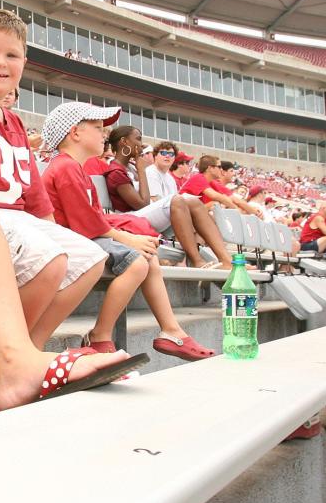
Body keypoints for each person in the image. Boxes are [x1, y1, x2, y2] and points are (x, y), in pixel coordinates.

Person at [0, 9, 146, 363]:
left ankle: (31, 350)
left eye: (11, 55)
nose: (1, 63)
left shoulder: (13, 121)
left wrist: (57, 236)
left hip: (13, 222)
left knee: (88, 258)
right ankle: (12, 358)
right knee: (51, 259)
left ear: (24, 63)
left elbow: (39, 206)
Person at [40, 102, 215, 360]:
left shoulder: (76, 167)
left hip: (80, 236)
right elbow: (86, 225)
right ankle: (100, 336)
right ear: (75, 132)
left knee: (147, 257)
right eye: (98, 128)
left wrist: (131, 237)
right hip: (70, 241)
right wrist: (128, 237)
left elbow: (94, 220)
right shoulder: (65, 167)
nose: (105, 134)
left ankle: (170, 329)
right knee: (136, 262)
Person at [106, 127, 234, 269]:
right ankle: (197, 261)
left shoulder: (130, 168)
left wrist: (139, 169)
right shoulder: (115, 171)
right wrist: (142, 170)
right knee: (178, 201)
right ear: (124, 142)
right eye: (138, 139)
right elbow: (142, 204)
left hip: (139, 217)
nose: (141, 144)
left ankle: (226, 260)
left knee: (193, 202)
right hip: (126, 220)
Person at [180, 155, 264, 219]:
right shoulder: (198, 177)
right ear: (210, 168)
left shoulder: (212, 182)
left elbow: (235, 200)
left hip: (194, 214)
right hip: (183, 213)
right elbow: (217, 197)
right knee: (216, 204)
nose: (221, 169)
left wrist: (254, 212)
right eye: (219, 167)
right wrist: (238, 211)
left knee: (220, 206)